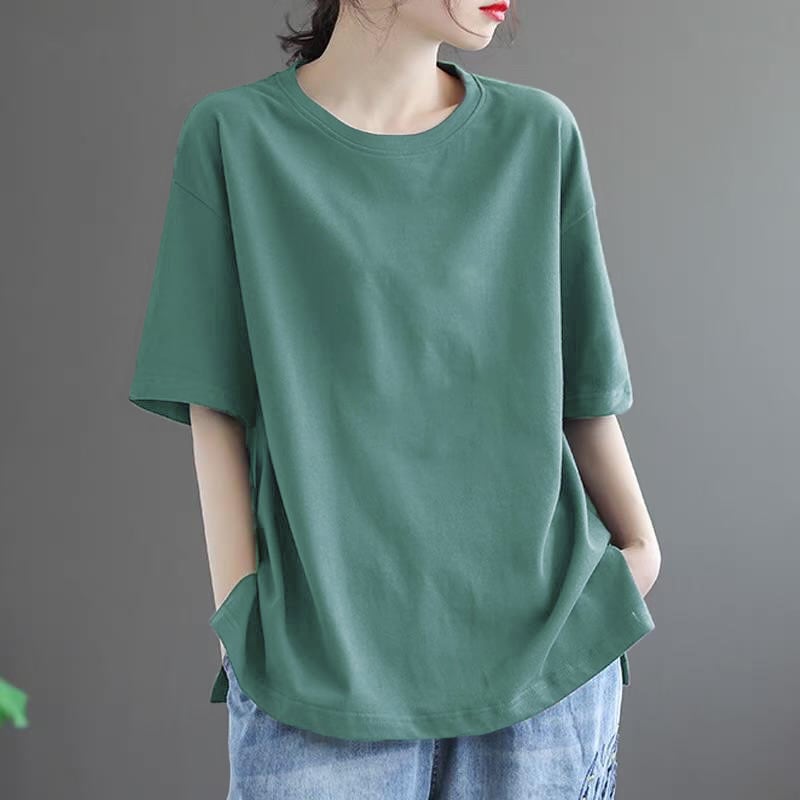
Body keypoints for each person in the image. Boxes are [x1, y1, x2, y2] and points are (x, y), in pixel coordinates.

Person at [128, 0, 662, 796]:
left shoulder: (537, 134)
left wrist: (643, 551)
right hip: (319, 672)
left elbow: (581, 390)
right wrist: (242, 614)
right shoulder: (235, 137)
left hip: (547, 662)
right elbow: (215, 404)